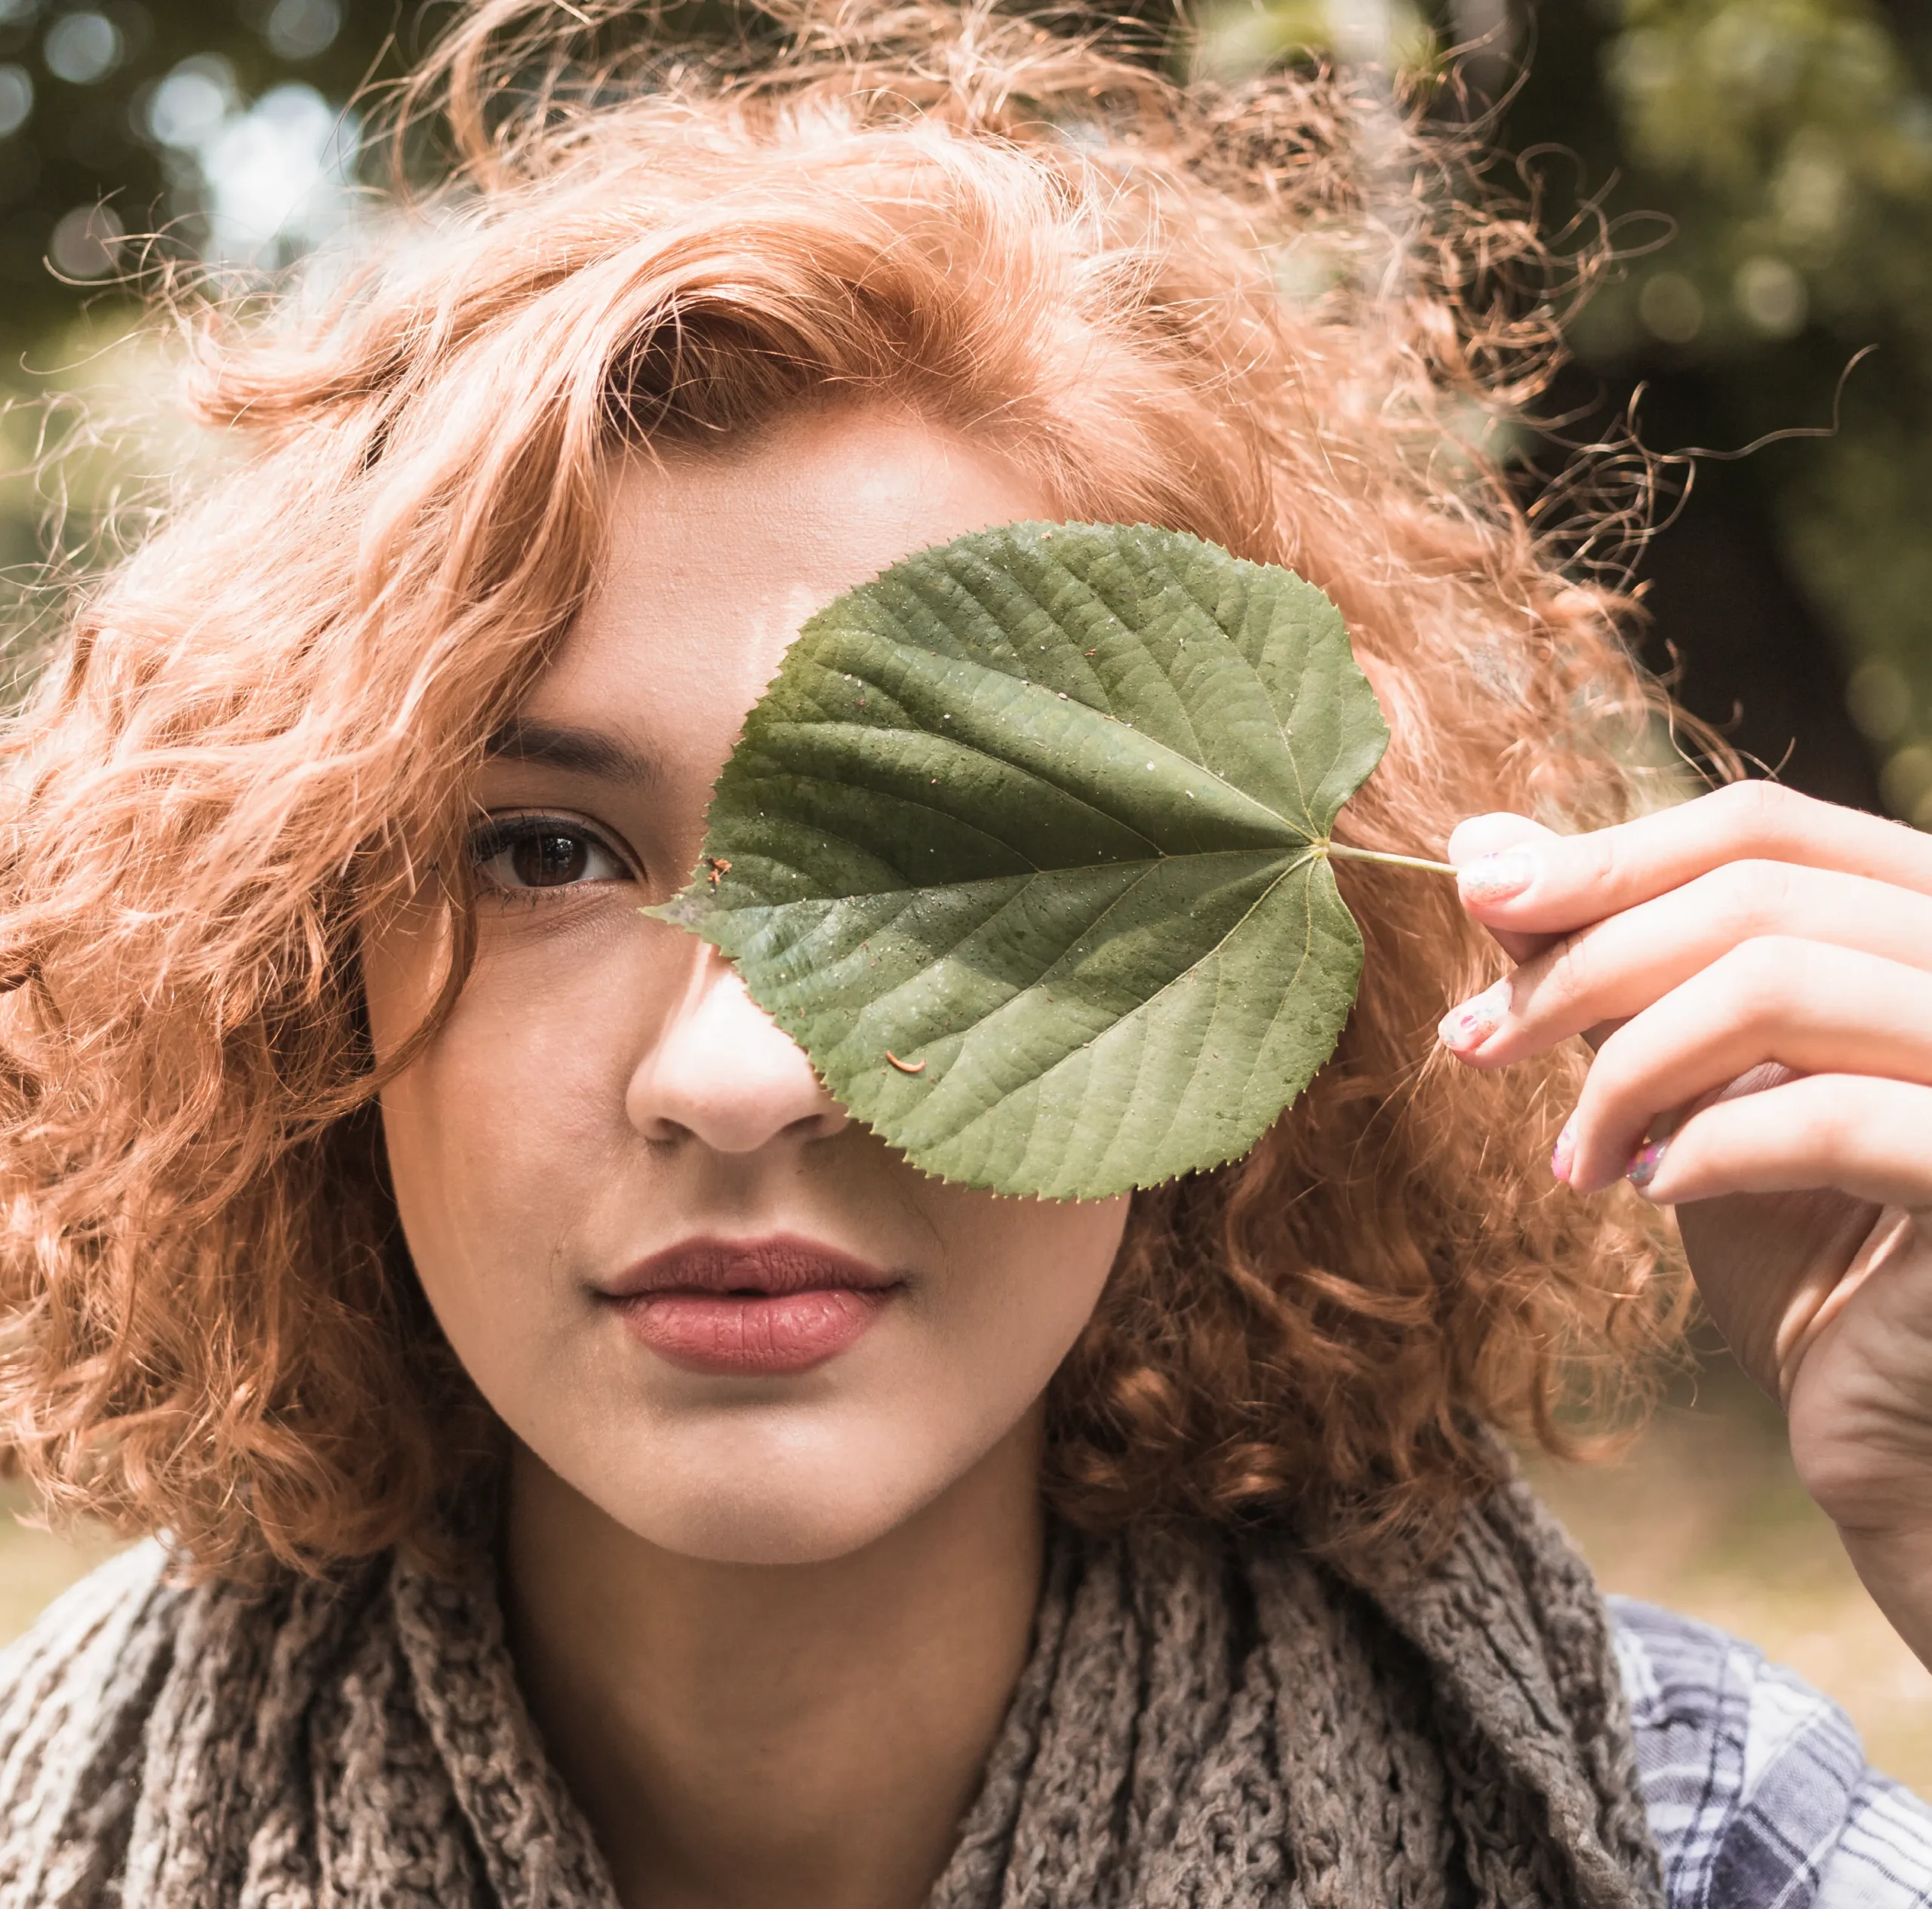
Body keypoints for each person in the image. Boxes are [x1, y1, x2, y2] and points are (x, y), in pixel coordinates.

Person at [0, 3, 1928, 1904]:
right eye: (544, 851)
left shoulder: (1678, 1830)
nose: (743, 1069)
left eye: (963, 853)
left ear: (1236, 973)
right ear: (290, 963)